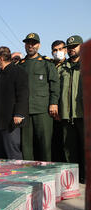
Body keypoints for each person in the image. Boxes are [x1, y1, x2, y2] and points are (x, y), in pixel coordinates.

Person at [19, 33, 60, 162]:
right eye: (28, 43)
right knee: (26, 147)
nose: (30, 45)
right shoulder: (20, 65)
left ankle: (47, 174)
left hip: (43, 110)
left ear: (39, 45)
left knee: (45, 145)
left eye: (33, 43)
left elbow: (54, 85)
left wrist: (54, 103)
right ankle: (28, 174)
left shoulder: (47, 63)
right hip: (25, 110)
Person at [0, 46, 29, 159]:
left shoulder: (18, 71)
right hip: (1, 120)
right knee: (4, 153)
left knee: (13, 151)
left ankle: (17, 175)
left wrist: (19, 113)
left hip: (12, 121)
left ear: (1, 59)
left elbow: (23, 94)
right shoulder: (1, 74)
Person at [59, 35, 85, 182]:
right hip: (66, 114)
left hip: (83, 114)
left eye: (74, 46)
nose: (71, 49)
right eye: (69, 47)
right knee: (69, 149)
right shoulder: (62, 67)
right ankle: (71, 179)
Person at [51, 40, 67, 162]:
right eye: (55, 50)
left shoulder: (69, 65)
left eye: (60, 49)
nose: (58, 52)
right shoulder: (49, 65)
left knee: (66, 143)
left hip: (66, 110)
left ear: (65, 50)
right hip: (51, 110)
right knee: (54, 142)